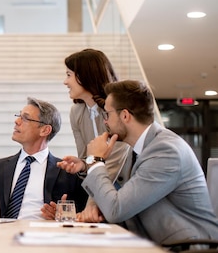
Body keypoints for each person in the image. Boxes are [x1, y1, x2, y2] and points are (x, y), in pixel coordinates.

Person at [58, 80, 218, 244]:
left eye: (107, 114)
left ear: (125, 116)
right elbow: (118, 199)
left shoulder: (165, 151)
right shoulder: (137, 149)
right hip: (155, 243)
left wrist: (95, 161)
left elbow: (116, 209)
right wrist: (94, 205)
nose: (105, 121)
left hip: (187, 246)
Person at [0, 97, 88, 219]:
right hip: (0, 232)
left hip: (43, 233)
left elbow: (79, 215)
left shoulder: (68, 172)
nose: (17, 121)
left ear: (45, 130)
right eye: (19, 116)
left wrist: (60, 216)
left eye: (25, 118)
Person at [64, 48, 131, 220]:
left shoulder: (116, 110)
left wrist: (91, 206)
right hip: (97, 187)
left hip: (125, 189)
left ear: (85, 76)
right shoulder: (76, 112)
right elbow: (88, 159)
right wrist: (81, 164)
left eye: (69, 75)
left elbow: (115, 162)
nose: (65, 81)